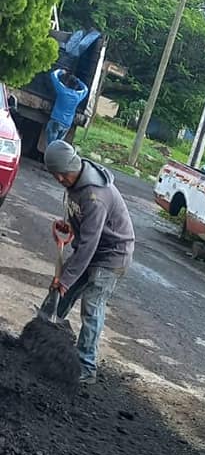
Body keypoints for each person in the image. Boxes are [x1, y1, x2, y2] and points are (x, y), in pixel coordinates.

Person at [43, 139, 135, 383]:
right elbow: (78, 214)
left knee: (91, 307)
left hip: (111, 255)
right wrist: (70, 225)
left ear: (71, 166)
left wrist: (66, 280)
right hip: (92, 248)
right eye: (56, 176)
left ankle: (86, 366)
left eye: (62, 175)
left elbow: (89, 246)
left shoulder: (96, 196)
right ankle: (44, 340)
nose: (60, 180)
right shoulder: (74, 179)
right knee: (58, 295)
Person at [46, 70, 89, 147]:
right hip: (67, 125)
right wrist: (78, 80)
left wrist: (61, 71)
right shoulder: (77, 96)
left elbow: (53, 75)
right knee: (57, 147)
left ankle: (48, 157)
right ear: (76, 86)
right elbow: (85, 89)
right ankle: (54, 158)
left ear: (67, 83)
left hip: (56, 120)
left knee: (50, 146)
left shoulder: (62, 90)